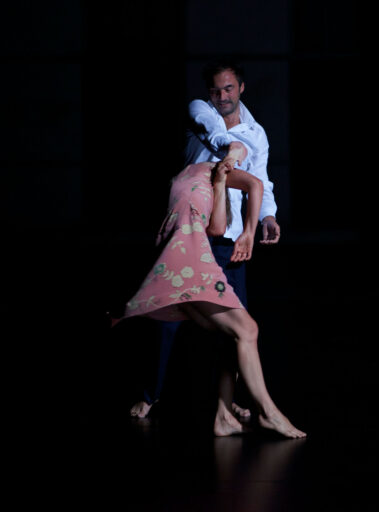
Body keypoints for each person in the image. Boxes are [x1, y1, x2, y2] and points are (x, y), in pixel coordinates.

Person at [129, 59, 281, 427]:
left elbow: (261, 180)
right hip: (190, 231)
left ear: (241, 88)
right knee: (168, 316)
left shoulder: (256, 133)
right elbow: (214, 135)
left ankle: (224, 408)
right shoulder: (200, 110)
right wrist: (232, 151)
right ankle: (151, 395)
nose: (222, 96)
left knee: (237, 327)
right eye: (216, 90)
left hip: (228, 239)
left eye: (229, 89)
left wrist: (266, 218)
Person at [117, 142, 305, 439]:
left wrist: (220, 183)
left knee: (238, 332)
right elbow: (253, 182)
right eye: (235, 163)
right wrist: (249, 232)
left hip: (176, 262)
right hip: (187, 262)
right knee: (247, 330)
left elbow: (215, 228)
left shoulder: (189, 178)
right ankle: (268, 414)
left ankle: (224, 417)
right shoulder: (209, 170)